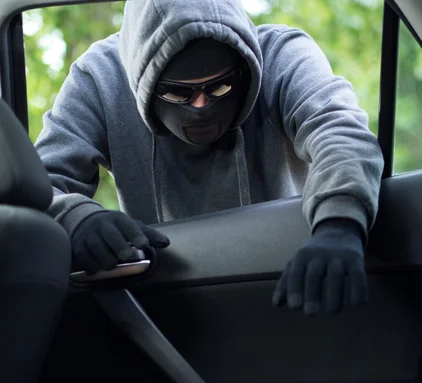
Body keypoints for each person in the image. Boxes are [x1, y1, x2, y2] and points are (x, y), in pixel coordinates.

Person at [35, 0, 384, 316]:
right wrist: (76, 218)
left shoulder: (281, 55)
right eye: (176, 92)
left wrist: (338, 225)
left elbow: (340, 131)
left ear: (244, 69)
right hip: (171, 304)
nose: (201, 106)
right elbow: (36, 182)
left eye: (219, 88)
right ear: (143, 84)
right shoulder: (101, 79)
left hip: (291, 282)